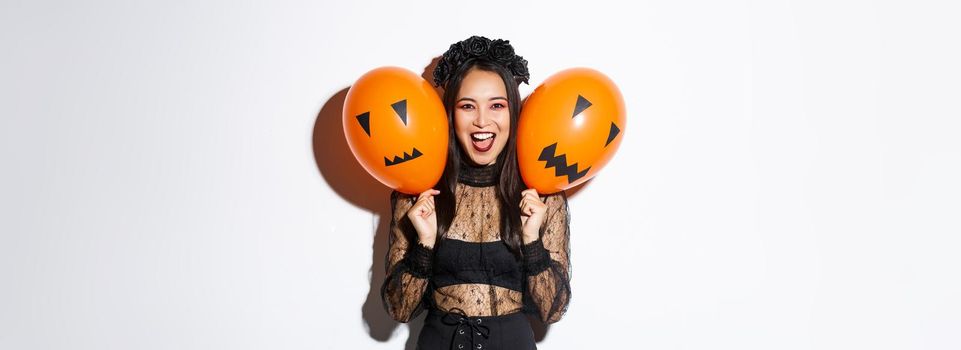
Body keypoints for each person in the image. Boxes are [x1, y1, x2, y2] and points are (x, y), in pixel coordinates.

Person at [380, 36, 572, 350]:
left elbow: (552, 310)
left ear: (514, 113)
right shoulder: (418, 192)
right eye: (467, 106)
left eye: (497, 105)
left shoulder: (542, 194)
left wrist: (533, 240)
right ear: (450, 114)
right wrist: (424, 245)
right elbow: (399, 309)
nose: (482, 121)